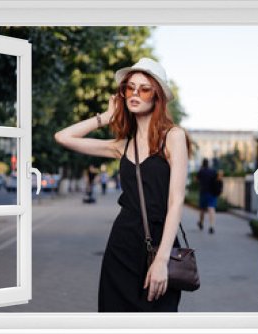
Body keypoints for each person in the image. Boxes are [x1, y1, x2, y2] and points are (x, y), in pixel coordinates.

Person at [54, 58, 192, 312]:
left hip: (159, 245)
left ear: (157, 96)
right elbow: (63, 137)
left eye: (144, 88)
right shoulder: (121, 145)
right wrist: (106, 117)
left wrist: (162, 259)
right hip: (122, 244)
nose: (135, 93)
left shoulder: (173, 137)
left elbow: (176, 201)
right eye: (130, 87)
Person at [195, 158, 217, 234]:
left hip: (203, 193)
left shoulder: (201, 171)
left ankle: (201, 223)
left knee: (202, 209)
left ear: (202, 163)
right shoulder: (213, 171)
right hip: (212, 193)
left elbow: (196, 180)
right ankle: (211, 226)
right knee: (212, 209)